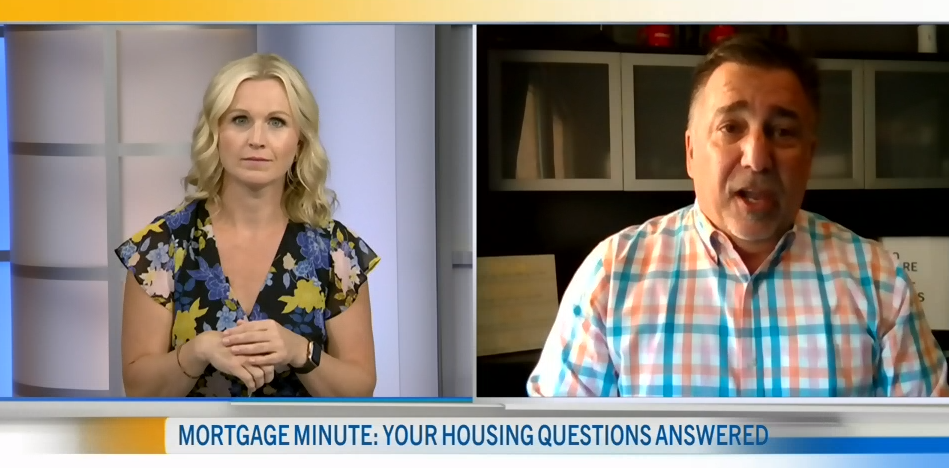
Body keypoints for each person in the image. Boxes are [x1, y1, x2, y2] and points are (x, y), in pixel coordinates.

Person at [527, 35, 949, 398]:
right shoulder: (612, 275)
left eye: (782, 132)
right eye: (731, 127)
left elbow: (930, 444)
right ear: (691, 151)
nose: (757, 158)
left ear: (810, 157)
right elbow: (554, 445)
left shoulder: (878, 281)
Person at [116, 53, 380, 398]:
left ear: (299, 142)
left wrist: (300, 351)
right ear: (216, 133)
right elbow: (138, 391)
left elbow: (359, 391)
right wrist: (197, 352)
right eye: (240, 120)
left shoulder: (337, 251)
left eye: (276, 122)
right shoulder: (160, 247)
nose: (257, 139)